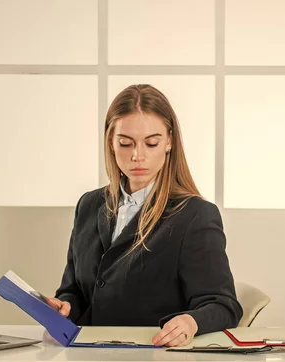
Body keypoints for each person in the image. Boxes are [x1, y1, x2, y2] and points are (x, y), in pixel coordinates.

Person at [46, 84, 243, 347]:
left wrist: (191, 322)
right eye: (125, 143)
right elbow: (74, 291)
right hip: (88, 352)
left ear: (169, 142)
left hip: (152, 353)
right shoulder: (89, 205)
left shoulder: (195, 215)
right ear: (111, 143)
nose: (138, 156)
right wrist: (65, 307)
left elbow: (224, 305)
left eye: (152, 143)